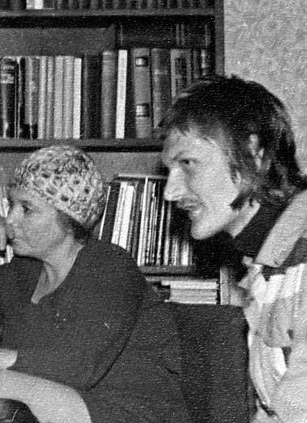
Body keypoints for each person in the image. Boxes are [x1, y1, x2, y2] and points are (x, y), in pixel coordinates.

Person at [0, 145, 191, 423]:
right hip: (58, 410)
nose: (10, 219)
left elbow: (79, 366)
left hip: (132, 412)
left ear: (68, 220)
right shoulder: (23, 273)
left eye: (27, 209)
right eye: (11, 205)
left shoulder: (109, 265)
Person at [160, 74, 307, 422]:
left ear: (253, 154)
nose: (169, 192)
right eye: (169, 170)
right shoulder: (270, 265)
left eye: (187, 163)